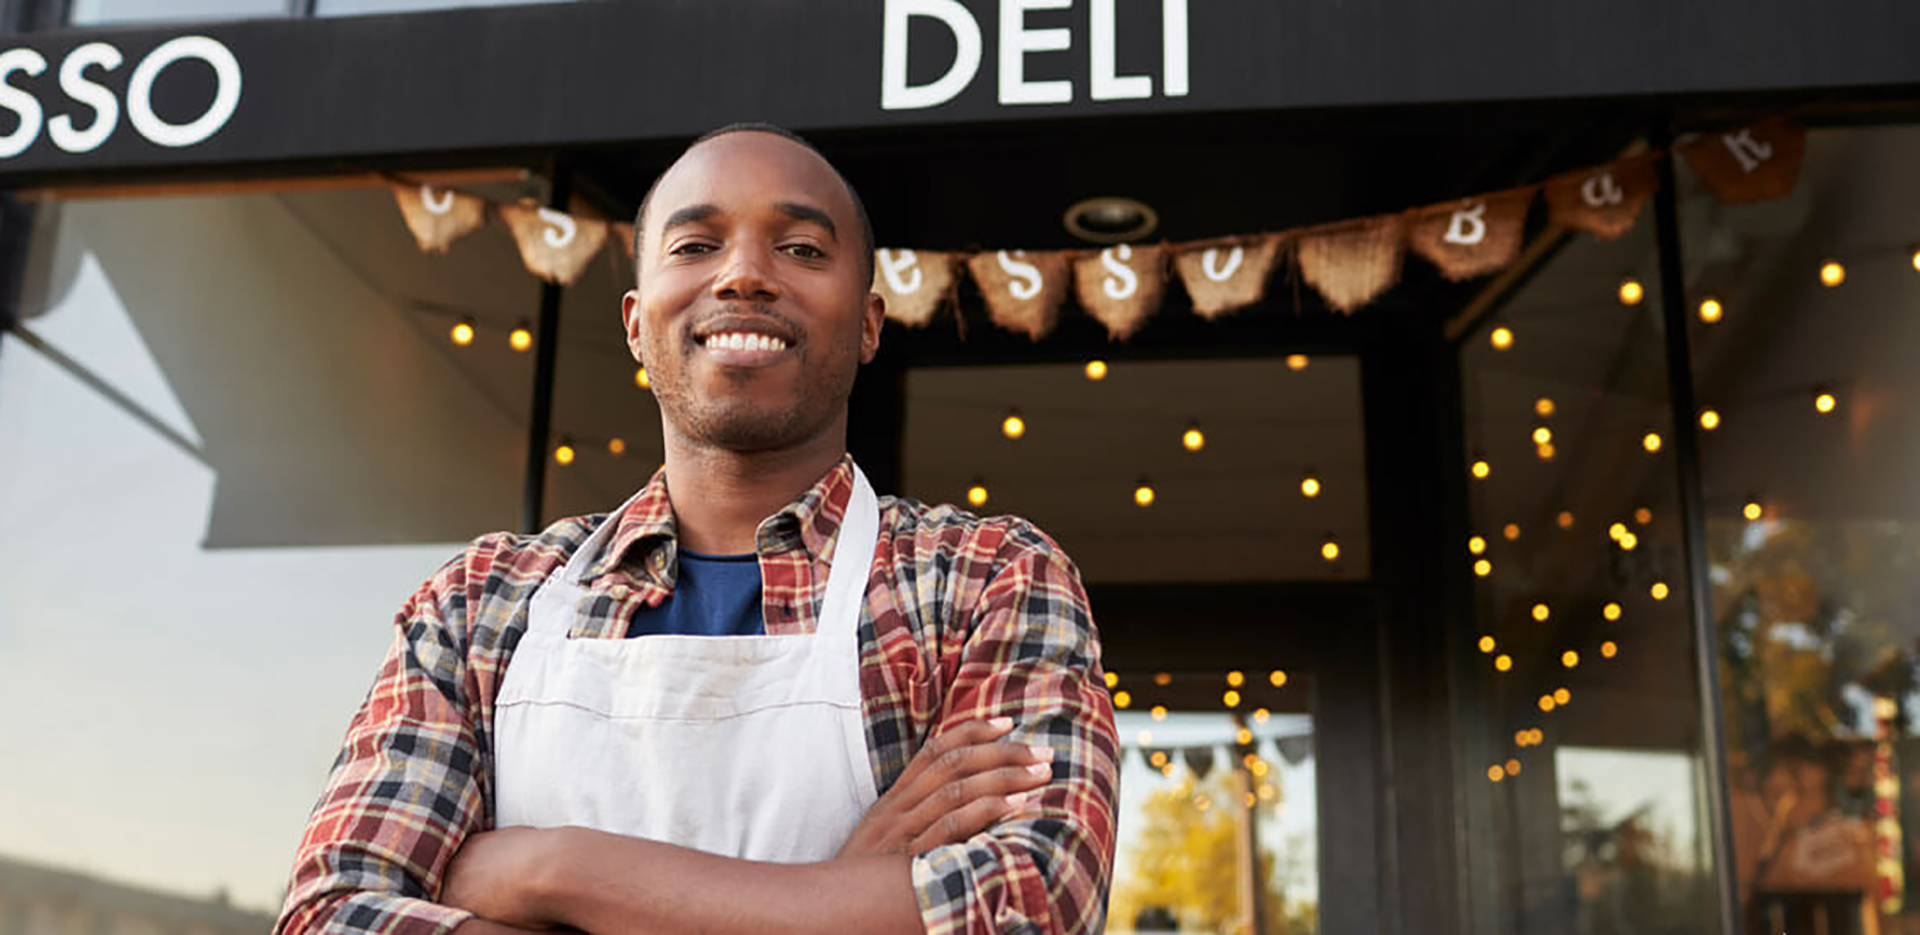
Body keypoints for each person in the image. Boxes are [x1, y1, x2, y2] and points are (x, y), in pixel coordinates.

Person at [273, 124, 1119, 935]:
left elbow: (1031, 899)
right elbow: (335, 912)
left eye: (802, 249)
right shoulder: (480, 602)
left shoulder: (985, 578)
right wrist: (839, 893)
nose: (745, 274)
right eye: (695, 245)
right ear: (637, 325)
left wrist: (557, 870)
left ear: (868, 324)